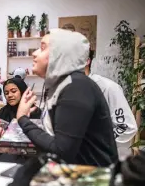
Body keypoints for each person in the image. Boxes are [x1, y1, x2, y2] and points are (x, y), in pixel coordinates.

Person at [16, 29, 118, 167]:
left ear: (59, 54)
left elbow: (61, 150)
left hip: (92, 180)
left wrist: (23, 119)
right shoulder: (64, 85)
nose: (34, 53)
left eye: (42, 48)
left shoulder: (76, 87)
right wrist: (36, 113)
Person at [85, 50, 137, 158]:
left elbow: (126, 127)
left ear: (86, 61)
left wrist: (98, 144)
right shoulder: (69, 88)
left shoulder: (108, 88)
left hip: (109, 161)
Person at [0, 78, 42, 163]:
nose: (9, 95)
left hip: (29, 158)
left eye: (14, 91)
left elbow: (37, 141)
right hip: (5, 157)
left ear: (22, 91)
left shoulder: (34, 111)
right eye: (6, 93)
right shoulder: (4, 111)